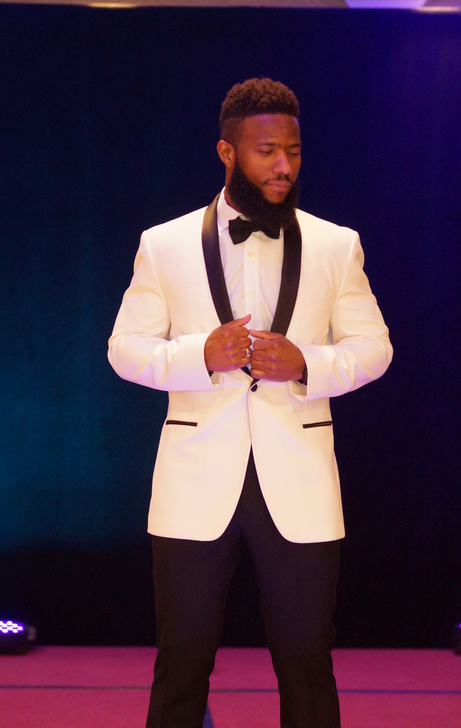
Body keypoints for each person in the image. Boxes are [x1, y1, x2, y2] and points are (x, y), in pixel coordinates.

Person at [108, 77, 392, 728]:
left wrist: (308, 364)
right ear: (227, 152)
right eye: (267, 151)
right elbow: (124, 349)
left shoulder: (335, 244)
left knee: (308, 664)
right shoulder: (165, 243)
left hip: (301, 482)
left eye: (293, 149)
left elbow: (375, 347)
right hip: (193, 482)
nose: (284, 164)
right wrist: (198, 355)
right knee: (181, 665)